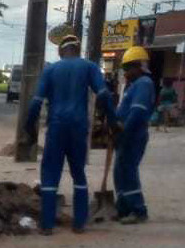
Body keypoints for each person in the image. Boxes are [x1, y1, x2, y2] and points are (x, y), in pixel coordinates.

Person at [25, 34, 119, 235]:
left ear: (61, 51)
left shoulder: (50, 70)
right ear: (78, 49)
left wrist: (29, 130)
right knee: (78, 174)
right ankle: (79, 223)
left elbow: (35, 103)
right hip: (78, 127)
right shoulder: (89, 67)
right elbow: (102, 94)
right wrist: (112, 120)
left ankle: (47, 225)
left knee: (50, 175)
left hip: (57, 127)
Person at [113, 46, 155, 224]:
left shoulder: (144, 84)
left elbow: (137, 112)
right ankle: (123, 208)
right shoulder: (133, 86)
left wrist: (124, 133)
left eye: (127, 68)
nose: (125, 72)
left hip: (133, 135)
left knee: (128, 171)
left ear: (138, 67)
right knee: (120, 171)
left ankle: (138, 210)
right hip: (127, 134)